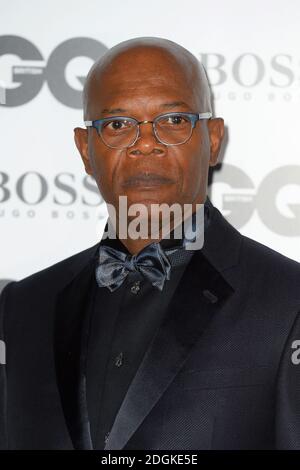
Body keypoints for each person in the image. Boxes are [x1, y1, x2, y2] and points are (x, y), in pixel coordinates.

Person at [1, 37, 300, 450]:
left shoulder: (288, 301)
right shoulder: (23, 307)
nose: (145, 143)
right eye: (118, 124)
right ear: (85, 150)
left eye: (174, 119)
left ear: (212, 139)